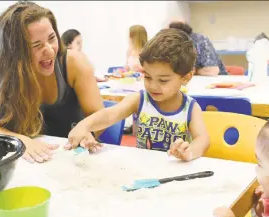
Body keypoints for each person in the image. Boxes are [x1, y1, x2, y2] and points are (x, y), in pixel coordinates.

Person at [0, 1, 104, 163]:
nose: (49, 50)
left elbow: (100, 117)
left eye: (52, 38)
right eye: (36, 45)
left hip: (73, 159)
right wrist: (20, 141)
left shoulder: (74, 63)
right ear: (14, 53)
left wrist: (87, 131)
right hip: (30, 161)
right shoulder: (0, 76)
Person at [67, 29, 210, 162]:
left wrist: (189, 152)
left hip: (174, 172)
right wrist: (83, 125)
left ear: (185, 77)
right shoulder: (140, 99)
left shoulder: (190, 108)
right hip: (143, 169)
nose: (153, 86)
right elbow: (109, 115)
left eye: (163, 80)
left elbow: (203, 139)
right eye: (147, 77)